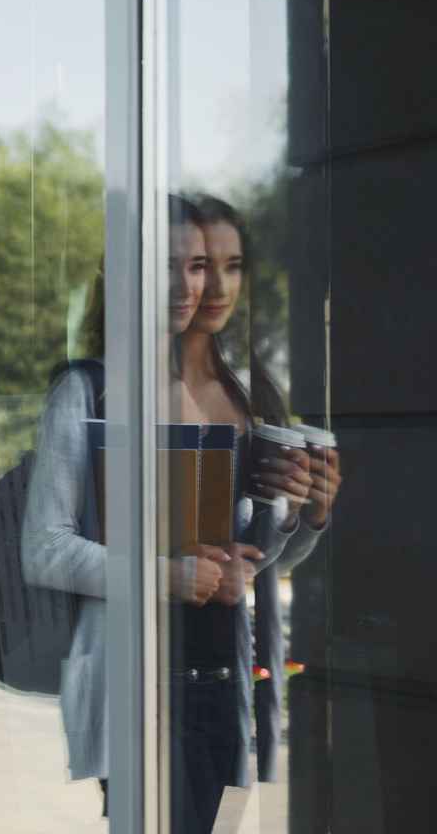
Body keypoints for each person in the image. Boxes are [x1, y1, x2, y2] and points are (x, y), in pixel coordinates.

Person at [23, 195, 224, 818]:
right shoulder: (85, 391)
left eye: (195, 265)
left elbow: (248, 555)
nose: (186, 285)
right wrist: (169, 576)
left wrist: (306, 514)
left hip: (217, 686)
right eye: (165, 264)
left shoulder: (216, 391)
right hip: (135, 685)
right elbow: (44, 549)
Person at [187, 194, 341, 795]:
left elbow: (269, 565)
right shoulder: (135, 387)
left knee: (227, 810)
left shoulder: (254, 390)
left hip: (236, 661)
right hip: (160, 659)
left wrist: (313, 512)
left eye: (233, 265)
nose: (219, 286)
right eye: (200, 265)